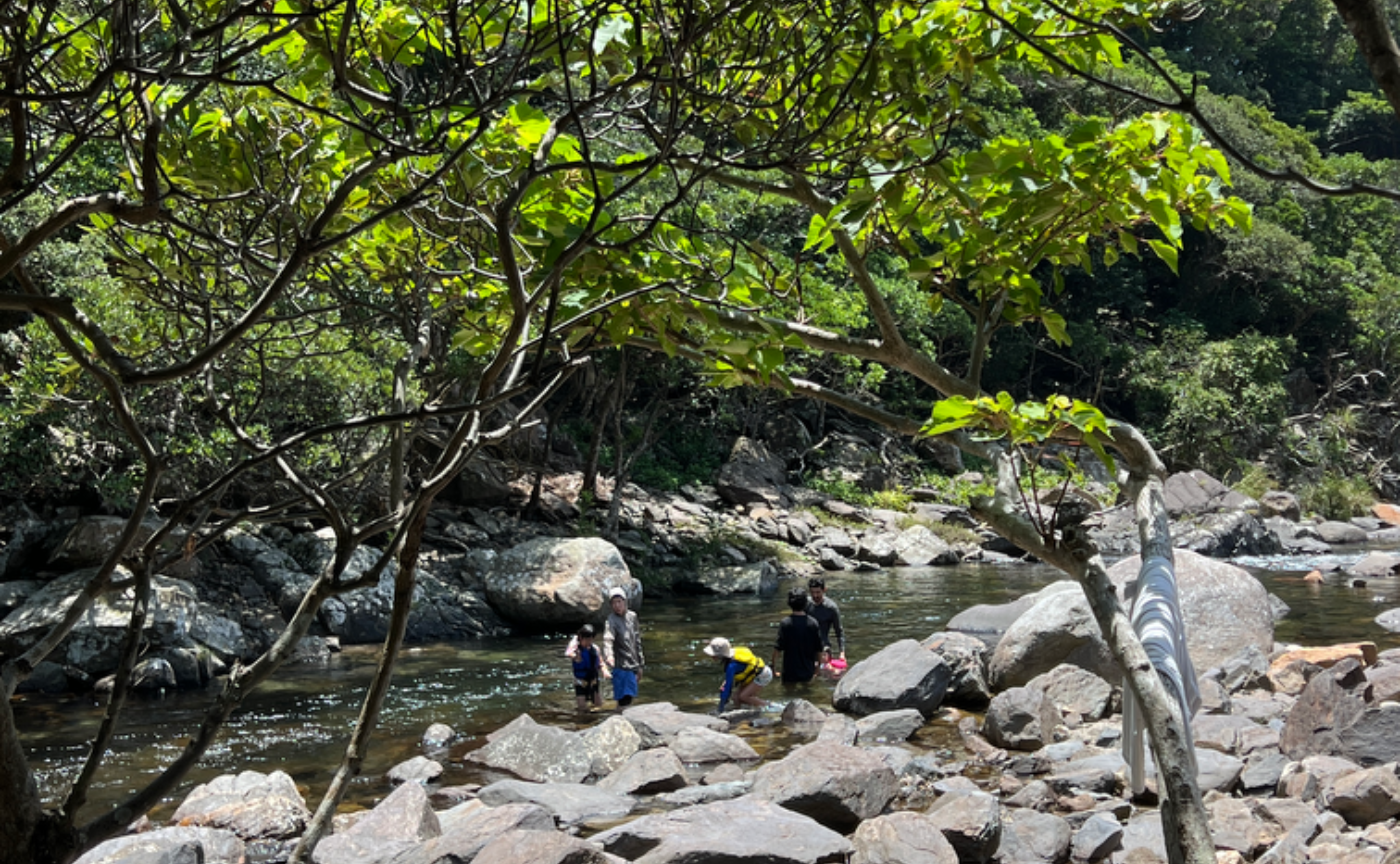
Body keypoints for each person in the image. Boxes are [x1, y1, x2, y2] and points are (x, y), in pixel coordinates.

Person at [703, 636, 771, 712]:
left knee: (744, 696)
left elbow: (728, 688)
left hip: (762, 674)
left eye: (713, 654)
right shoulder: (732, 656)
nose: (711, 656)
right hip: (753, 674)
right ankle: (740, 714)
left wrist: (721, 707)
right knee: (735, 698)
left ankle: (769, 707)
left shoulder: (732, 666)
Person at [602, 586, 644, 707]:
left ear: (625, 602)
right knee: (623, 699)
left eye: (619, 602)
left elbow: (637, 641)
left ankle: (622, 720)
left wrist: (640, 664)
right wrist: (609, 655)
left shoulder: (632, 617)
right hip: (620, 666)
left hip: (633, 665)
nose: (617, 605)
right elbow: (608, 639)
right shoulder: (611, 620)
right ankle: (619, 721)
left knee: (629, 698)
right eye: (614, 603)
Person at [771, 589, 823, 684]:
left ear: (789, 603)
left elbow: (777, 649)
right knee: (807, 694)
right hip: (808, 670)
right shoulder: (813, 623)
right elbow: (819, 649)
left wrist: (773, 667)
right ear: (806, 603)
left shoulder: (785, 623)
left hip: (790, 671)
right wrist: (818, 667)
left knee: (788, 694)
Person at [564, 624, 604, 711]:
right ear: (581, 638)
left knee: (598, 705)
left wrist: (605, 671)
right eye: (586, 640)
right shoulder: (575, 648)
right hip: (580, 681)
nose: (589, 642)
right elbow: (568, 653)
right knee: (582, 706)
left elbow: (600, 661)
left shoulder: (595, 649)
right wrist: (575, 657)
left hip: (593, 680)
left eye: (591, 640)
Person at [806, 577, 846, 662]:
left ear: (824, 590)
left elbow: (839, 631)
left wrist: (842, 653)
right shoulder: (805, 604)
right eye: (812, 592)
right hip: (807, 645)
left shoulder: (831, 608)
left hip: (823, 647)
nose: (815, 595)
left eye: (818, 592)